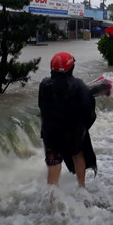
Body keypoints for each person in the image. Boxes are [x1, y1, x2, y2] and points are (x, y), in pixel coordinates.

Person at [38, 52, 97, 188]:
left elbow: (42, 107)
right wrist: (83, 128)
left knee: (54, 164)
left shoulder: (44, 84)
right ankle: (81, 187)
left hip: (50, 134)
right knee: (78, 154)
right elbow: (89, 112)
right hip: (73, 134)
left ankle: (53, 201)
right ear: (71, 68)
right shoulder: (79, 86)